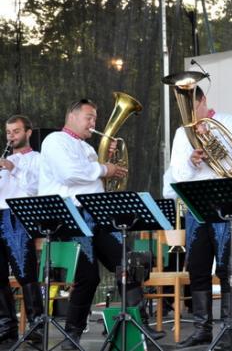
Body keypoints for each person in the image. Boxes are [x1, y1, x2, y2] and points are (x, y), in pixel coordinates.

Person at [38, 98, 163, 349]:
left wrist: (107, 164)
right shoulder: (54, 141)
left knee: (127, 261)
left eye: (95, 118)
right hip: (70, 215)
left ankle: (140, 323)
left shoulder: (88, 149)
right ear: (72, 116)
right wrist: (105, 168)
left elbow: (95, 183)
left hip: (95, 213)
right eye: (89, 118)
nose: (93, 123)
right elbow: (69, 174)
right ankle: (72, 336)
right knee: (88, 277)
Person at [169, 85, 232, 349]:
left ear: (204, 100)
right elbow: (177, 175)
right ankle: (202, 329)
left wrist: (211, 141)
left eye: (192, 105)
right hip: (196, 204)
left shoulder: (228, 122)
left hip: (226, 203)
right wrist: (192, 161)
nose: (189, 113)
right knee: (198, 268)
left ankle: (228, 330)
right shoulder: (182, 133)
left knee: (226, 268)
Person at [0, 115, 44, 344]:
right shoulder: (5, 159)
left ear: (28, 132)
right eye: (8, 132)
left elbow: (35, 188)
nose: (11, 136)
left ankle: (37, 325)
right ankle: (6, 326)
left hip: (17, 215)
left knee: (25, 271)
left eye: (16, 131)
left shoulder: (38, 159)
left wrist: (13, 168)